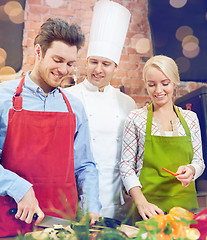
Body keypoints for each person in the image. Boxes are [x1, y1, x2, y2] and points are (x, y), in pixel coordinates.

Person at [0, 18, 101, 238]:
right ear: (38, 51)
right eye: (58, 60)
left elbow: (85, 166)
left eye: (70, 63)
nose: (63, 70)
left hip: (64, 228)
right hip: (13, 223)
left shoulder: (75, 108)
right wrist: (18, 187)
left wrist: (91, 205)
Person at [66, 0, 136, 222]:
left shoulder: (127, 103)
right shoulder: (68, 97)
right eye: (93, 62)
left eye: (105, 64)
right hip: (78, 201)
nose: (98, 69)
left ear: (115, 66)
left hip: (118, 202)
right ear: (86, 62)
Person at [119, 55, 205, 221]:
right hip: (149, 209)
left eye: (165, 83)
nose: (158, 90)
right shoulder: (136, 118)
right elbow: (126, 166)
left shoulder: (190, 118)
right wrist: (141, 202)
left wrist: (192, 170)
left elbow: (199, 161)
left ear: (174, 82)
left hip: (185, 208)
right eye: (152, 85)